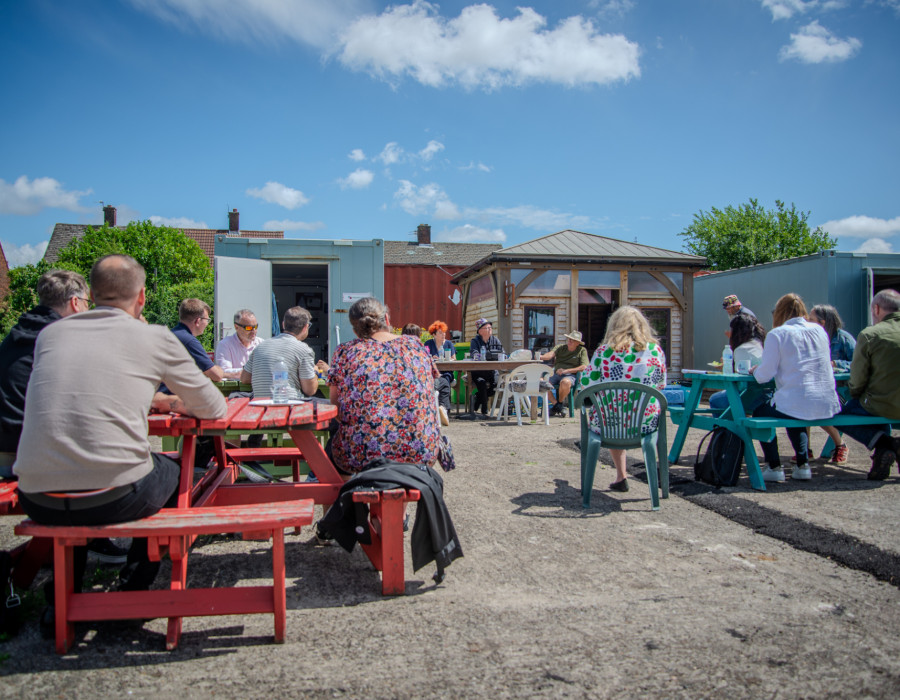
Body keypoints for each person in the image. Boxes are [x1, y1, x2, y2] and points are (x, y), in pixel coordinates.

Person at [13, 254, 226, 619]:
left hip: (35, 494)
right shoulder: (153, 337)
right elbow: (214, 407)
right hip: (113, 494)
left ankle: (61, 601)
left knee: (75, 470)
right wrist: (176, 402)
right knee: (180, 475)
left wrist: (151, 399)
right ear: (141, 296)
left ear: (91, 295)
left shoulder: (51, 334)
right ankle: (133, 591)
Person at [0, 270, 127, 565]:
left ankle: (80, 543)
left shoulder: (16, 334)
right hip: (37, 456)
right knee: (127, 462)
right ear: (74, 303)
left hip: (6, 452)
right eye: (86, 303)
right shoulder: (62, 340)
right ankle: (89, 541)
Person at [325, 297, 440, 474]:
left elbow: (336, 406)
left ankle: (340, 488)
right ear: (386, 318)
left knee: (335, 435)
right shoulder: (415, 345)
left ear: (355, 330)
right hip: (421, 452)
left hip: (360, 456)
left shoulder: (345, 351)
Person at [749, 293, 840, 483]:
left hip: (797, 401)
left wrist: (755, 370)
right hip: (827, 403)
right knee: (794, 413)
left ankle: (774, 466)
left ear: (779, 313)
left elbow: (765, 375)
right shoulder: (819, 330)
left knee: (761, 411)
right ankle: (802, 464)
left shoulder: (777, 334)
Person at [580, 306, 667, 492]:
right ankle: (653, 483)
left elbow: (585, 384)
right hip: (646, 423)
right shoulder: (655, 351)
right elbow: (661, 384)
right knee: (628, 410)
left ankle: (621, 476)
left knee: (613, 411)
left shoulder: (604, 352)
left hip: (608, 423)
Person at [834, 289, 900, 480]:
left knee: (838, 415)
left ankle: (886, 444)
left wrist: (854, 393)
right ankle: (883, 453)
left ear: (876, 309)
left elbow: (857, 380)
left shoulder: (870, 334)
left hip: (881, 404)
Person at [808, 304, 857, 465]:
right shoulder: (812, 339)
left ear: (822, 322)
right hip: (819, 387)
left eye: (811, 319)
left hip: (841, 391)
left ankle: (840, 445)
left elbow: (858, 363)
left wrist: (835, 363)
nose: (807, 322)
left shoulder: (844, 339)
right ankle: (805, 449)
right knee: (805, 401)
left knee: (815, 405)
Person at [241, 306, 318, 400]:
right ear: (306, 327)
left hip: (260, 404)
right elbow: (310, 390)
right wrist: (314, 372)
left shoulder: (260, 346)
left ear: (283, 324)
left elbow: (244, 378)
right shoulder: (304, 350)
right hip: (289, 403)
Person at [708, 313, 770, 416]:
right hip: (766, 396)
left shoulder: (742, 349)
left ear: (737, 331)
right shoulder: (760, 344)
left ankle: (726, 426)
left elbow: (738, 381)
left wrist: (726, 366)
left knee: (714, 399)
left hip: (751, 397)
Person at [171, 299, 224, 382]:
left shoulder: (171, 334)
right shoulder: (189, 341)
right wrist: (220, 369)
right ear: (198, 321)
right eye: (207, 320)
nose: (207, 324)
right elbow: (216, 375)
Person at [540, 330, 589, 418]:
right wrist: (540, 356)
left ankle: (558, 404)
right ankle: (557, 405)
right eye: (569, 339)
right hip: (555, 374)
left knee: (565, 382)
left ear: (578, 343)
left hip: (571, 375)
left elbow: (584, 367)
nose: (570, 341)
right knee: (541, 382)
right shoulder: (561, 347)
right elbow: (550, 355)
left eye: (573, 340)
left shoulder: (582, 350)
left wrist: (566, 371)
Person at [469, 318, 505, 416]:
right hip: (478, 371)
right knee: (482, 383)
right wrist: (481, 356)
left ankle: (478, 398)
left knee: (497, 385)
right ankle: (484, 408)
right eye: (487, 328)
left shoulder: (495, 340)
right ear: (480, 331)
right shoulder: (475, 341)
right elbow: (474, 353)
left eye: (490, 327)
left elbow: (502, 352)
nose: (490, 329)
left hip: (492, 371)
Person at [424, 320, 456, 426]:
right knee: (442, 382)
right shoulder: (428, 344)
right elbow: (424, 358)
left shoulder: (448, 343)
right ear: (434, 334)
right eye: (440, 333)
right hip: (433, 373)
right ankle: (443, 409)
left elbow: (454, 358)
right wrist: (431, 358)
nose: (443, 335)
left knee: (445, 379)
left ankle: (443, 409)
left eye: (444, 333)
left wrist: (447, 359)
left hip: (446, 372)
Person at [215, 308, 262, 379]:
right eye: (249, 328)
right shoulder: (225, 345)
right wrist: (250, 372)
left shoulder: (261, 344)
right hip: (235, 386)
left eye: (255, 326)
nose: (254, 331)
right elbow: (224, 372)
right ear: (236, 327)